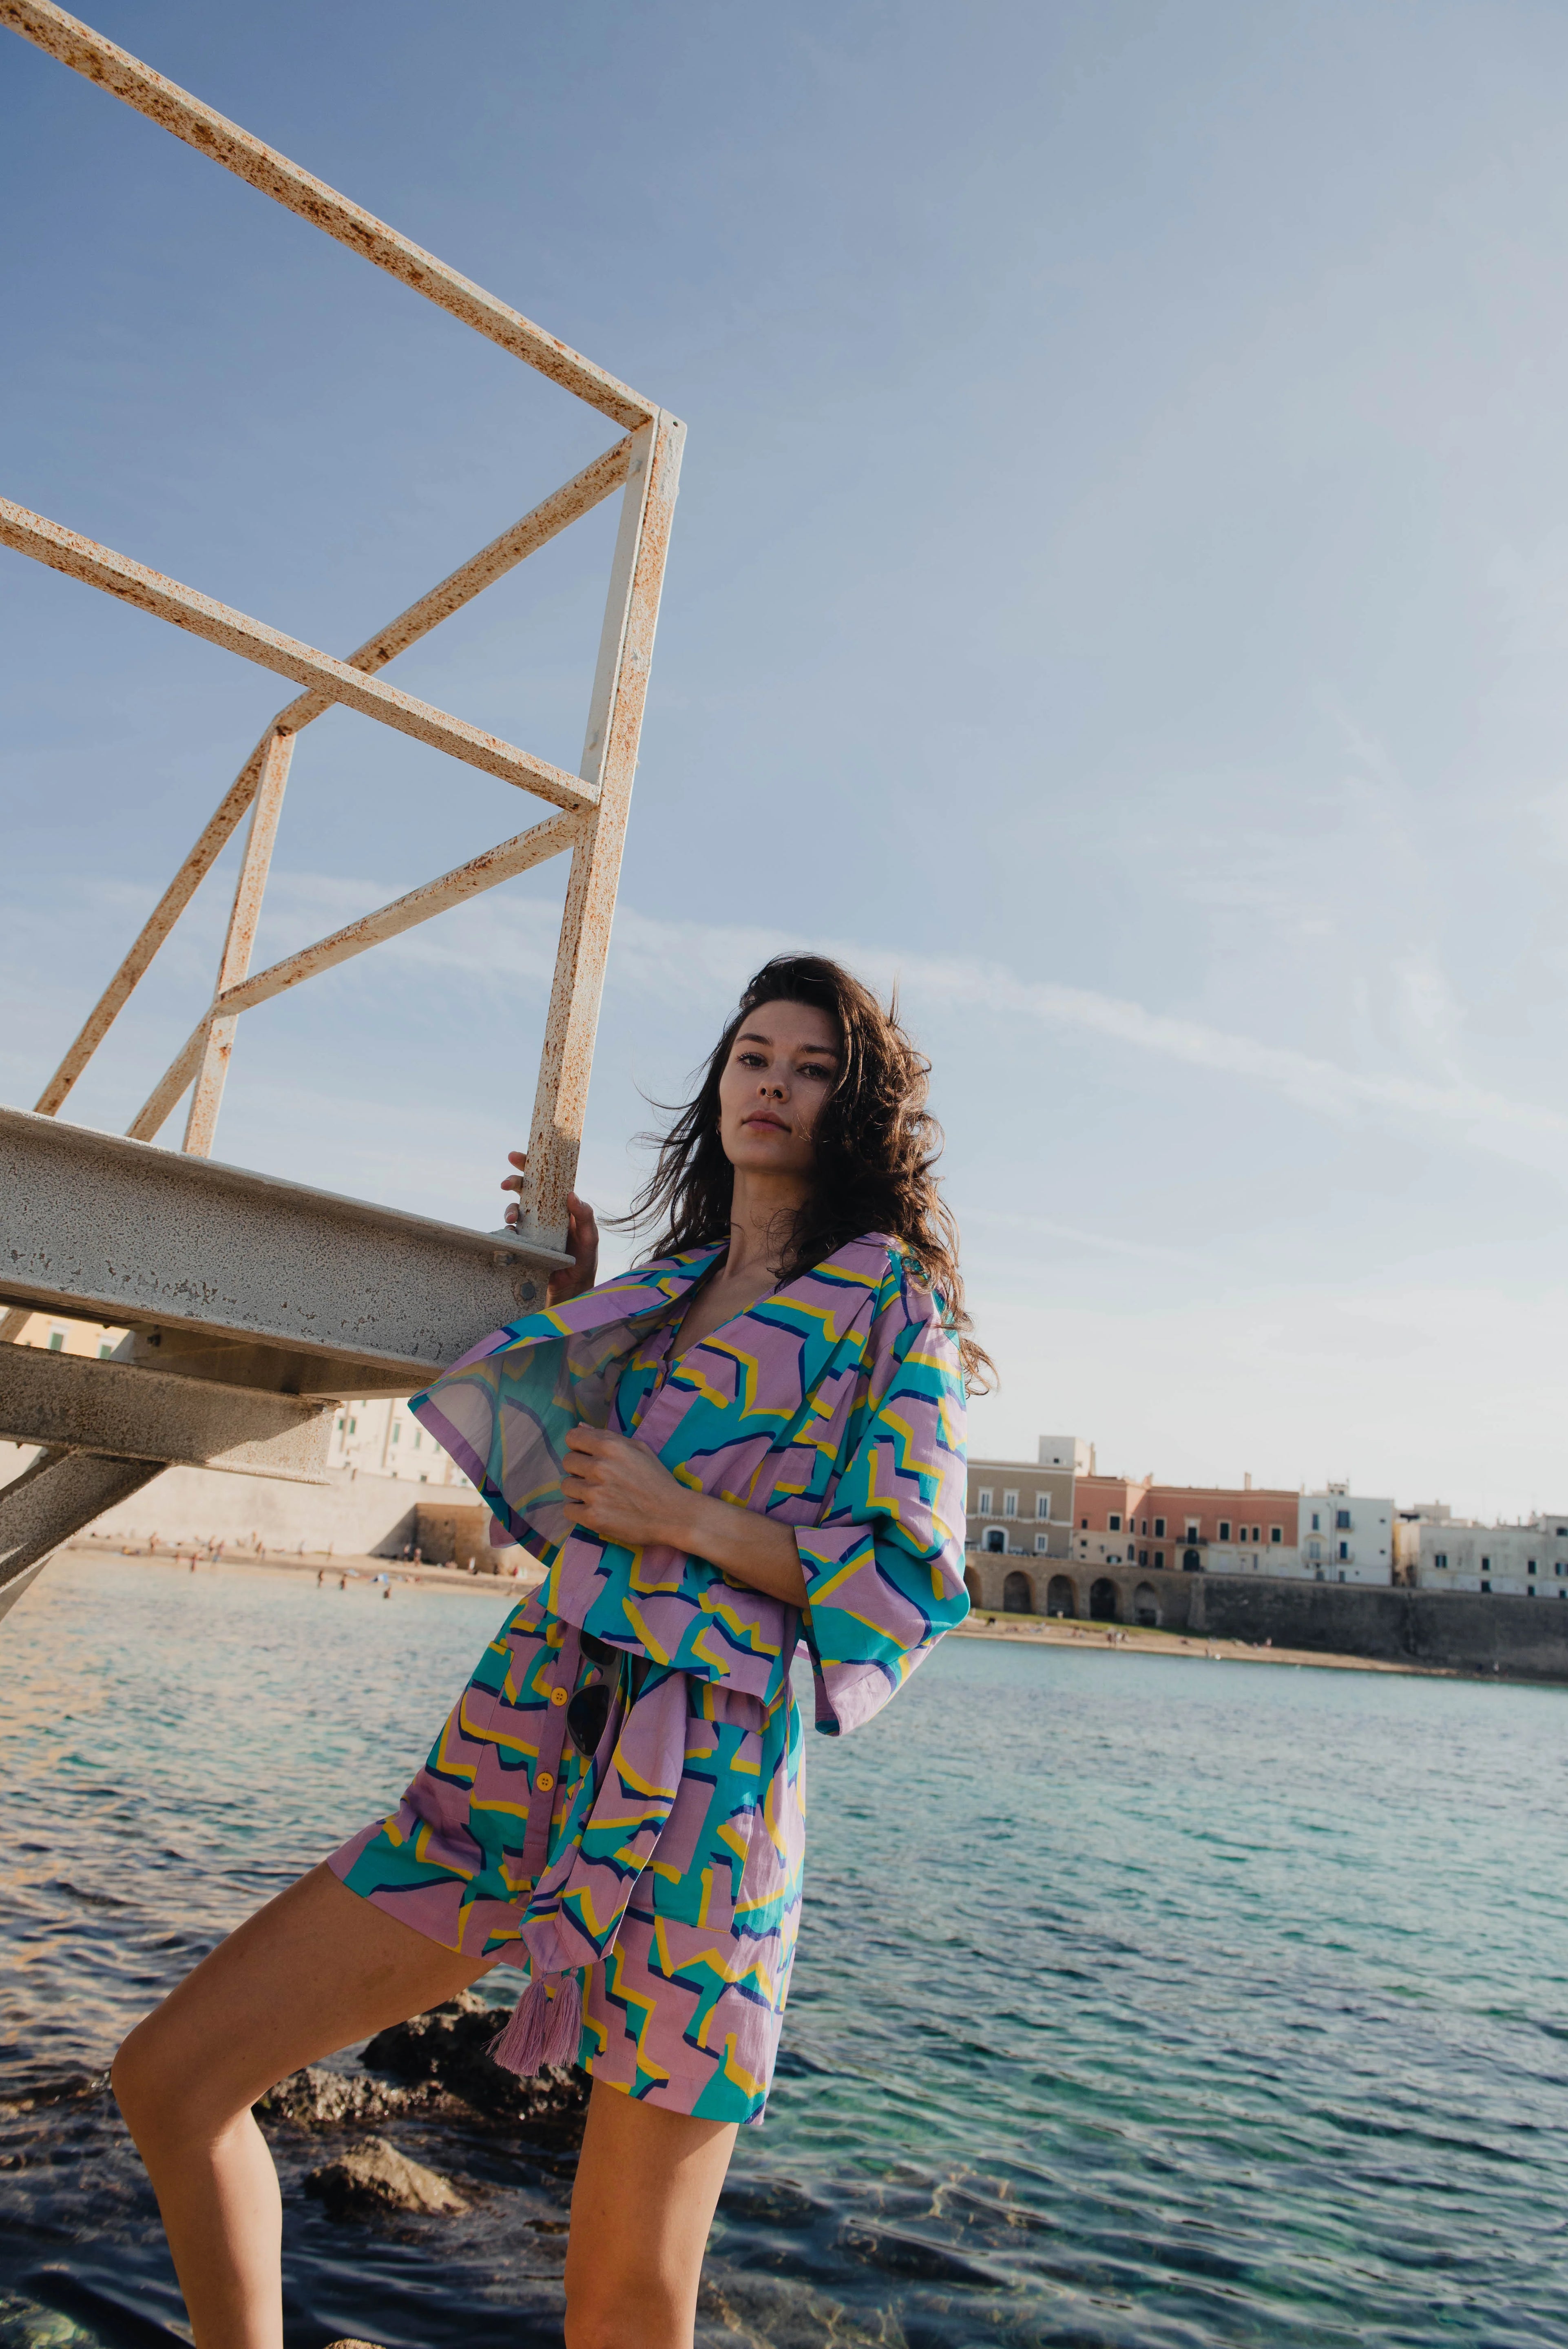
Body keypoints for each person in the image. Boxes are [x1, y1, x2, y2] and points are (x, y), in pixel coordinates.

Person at [110, 953, 985, 2349]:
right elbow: (563, 1516)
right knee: (173, 2077)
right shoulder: (666, 1289)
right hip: (525, 1736)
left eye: (814, 1065)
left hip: (706, 1798)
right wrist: (580, 1303)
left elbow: (913, 1581)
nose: (775, 1080)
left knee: (627, 2296)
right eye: (753, 1053)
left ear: (858, 1104)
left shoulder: (892, 1309)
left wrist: (687, 1517)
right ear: (718, 1086)